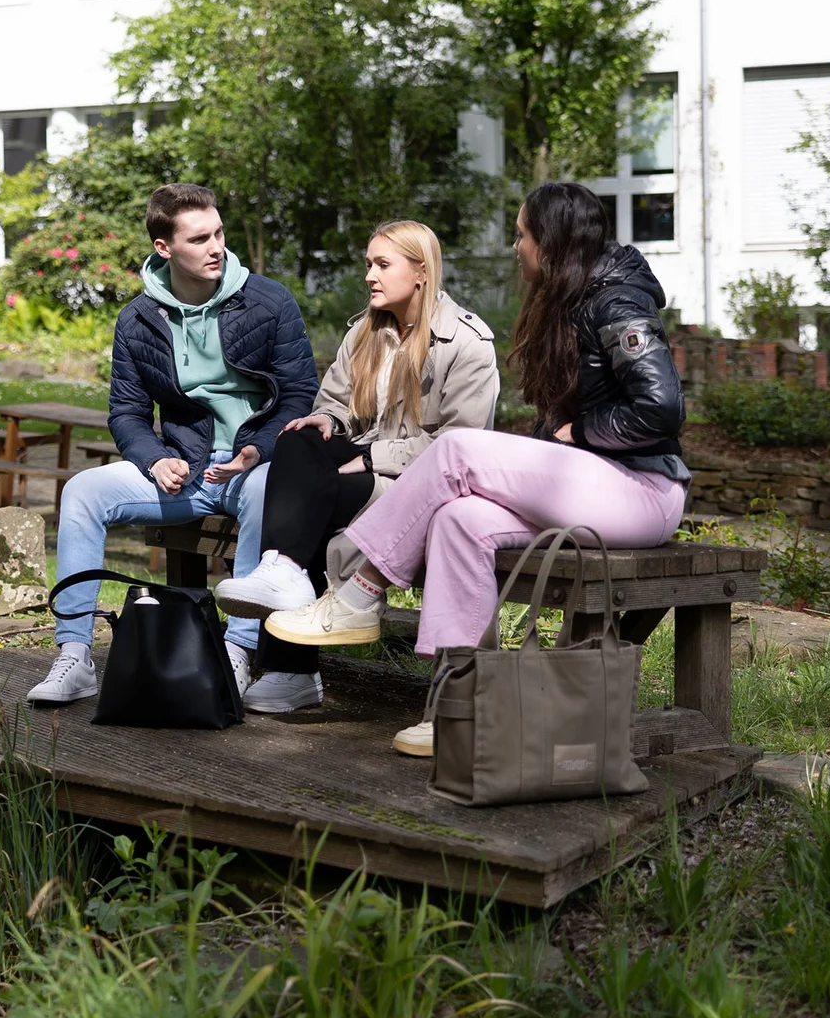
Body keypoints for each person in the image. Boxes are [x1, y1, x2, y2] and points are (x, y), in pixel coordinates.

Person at [263, 183, 690, 757]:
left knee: (458, 450)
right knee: (459, 520)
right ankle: (459, 706)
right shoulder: (571, 299)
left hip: (642, 490)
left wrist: (578, 434)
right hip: (589, 484)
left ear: (553, 241)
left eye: (522, 234)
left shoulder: (617, 302)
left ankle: (360, 590)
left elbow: (661, 409)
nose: (516, 246)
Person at [28, 183, 319, 706]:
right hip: (185, 468)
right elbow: (127, 413)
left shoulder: (268, 301)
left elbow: (300, 397)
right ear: (165, 248)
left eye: (219, 233)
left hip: (255, 466)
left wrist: (257, 450)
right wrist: (154, 458)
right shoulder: (138, 318)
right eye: (200, 238)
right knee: (82, 491)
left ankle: (237, 650)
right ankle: (74, 655)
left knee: (269, 491)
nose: (216, 248)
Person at [213, 220, 499, 713]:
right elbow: (335, 405)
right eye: (369, 263)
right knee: (301, 438)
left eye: (383, 265)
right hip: (362, 471)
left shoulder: (466, 343)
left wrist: (370, 457)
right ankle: (282, 573)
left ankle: (291, 668)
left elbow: (460, 446)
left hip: (418, 487)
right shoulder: (367, 331)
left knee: (310, 507)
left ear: (422, 271)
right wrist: (326, 421)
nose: (370, 275)